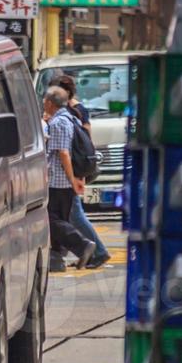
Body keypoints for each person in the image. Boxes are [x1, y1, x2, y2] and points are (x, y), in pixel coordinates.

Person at [54, 74, 111, 266]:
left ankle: (98, 251)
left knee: (75, 215)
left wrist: (80, 173)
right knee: (71, 215)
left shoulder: (74, 111)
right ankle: (85, 253)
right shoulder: (73, 111)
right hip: (70, 170)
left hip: (73, 170)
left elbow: (84, 144)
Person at [41, 88, 99, 272]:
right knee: (60, 221)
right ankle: (57, 260)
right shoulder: (71, 118)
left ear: (50, 102)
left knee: (50, 219)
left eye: (44, 100)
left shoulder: (58, 122)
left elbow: (64, 153)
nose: (43, 103)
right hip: (65, 182)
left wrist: (73, 179)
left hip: (58, 182)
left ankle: (83, 245)